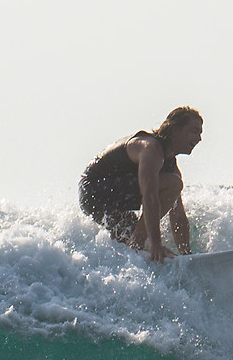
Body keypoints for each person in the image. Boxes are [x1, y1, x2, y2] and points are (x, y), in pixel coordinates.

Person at [80, 108, 203, 262]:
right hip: (95, 189)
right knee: (173, 185)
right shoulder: (150, 148)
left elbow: (177, 215)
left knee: (126, 239)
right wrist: (155, 243)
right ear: (175, 129)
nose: (199, 138)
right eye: (194, 131)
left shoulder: (170, 164)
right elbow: (149, 196)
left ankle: (133, 252)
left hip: (112, 200)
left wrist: (187, 255)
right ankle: (136, 246)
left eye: (200, 133)